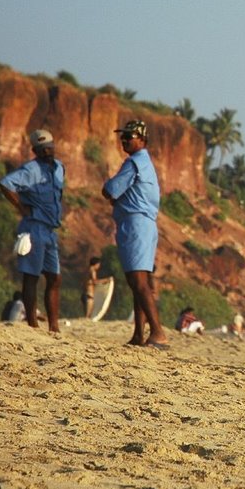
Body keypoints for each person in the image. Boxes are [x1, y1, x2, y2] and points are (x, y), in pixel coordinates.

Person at [102, 120, 166, 348]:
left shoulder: (134, 163)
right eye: (123, 136)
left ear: (142, 140)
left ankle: (157, 332)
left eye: (130, 136)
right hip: (145, 224)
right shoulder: (146, 162)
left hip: (135, 223)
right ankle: (140, 334)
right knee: (138, 281)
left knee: (138, 281)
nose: (125, 140)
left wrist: (113, 194)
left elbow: (109, 190)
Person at [0, 129, 65, 332]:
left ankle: (54, 325)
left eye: (49, 148)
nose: (46, 152)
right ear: (35, 150)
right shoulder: (30, 169)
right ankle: (32, 324)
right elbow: (6, 184)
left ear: (53, 146)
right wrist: (21, 206)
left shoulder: (59, 168)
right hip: (33, 226)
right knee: (31, 276)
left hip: (50, 229)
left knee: (54, 277)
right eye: (41, 149)